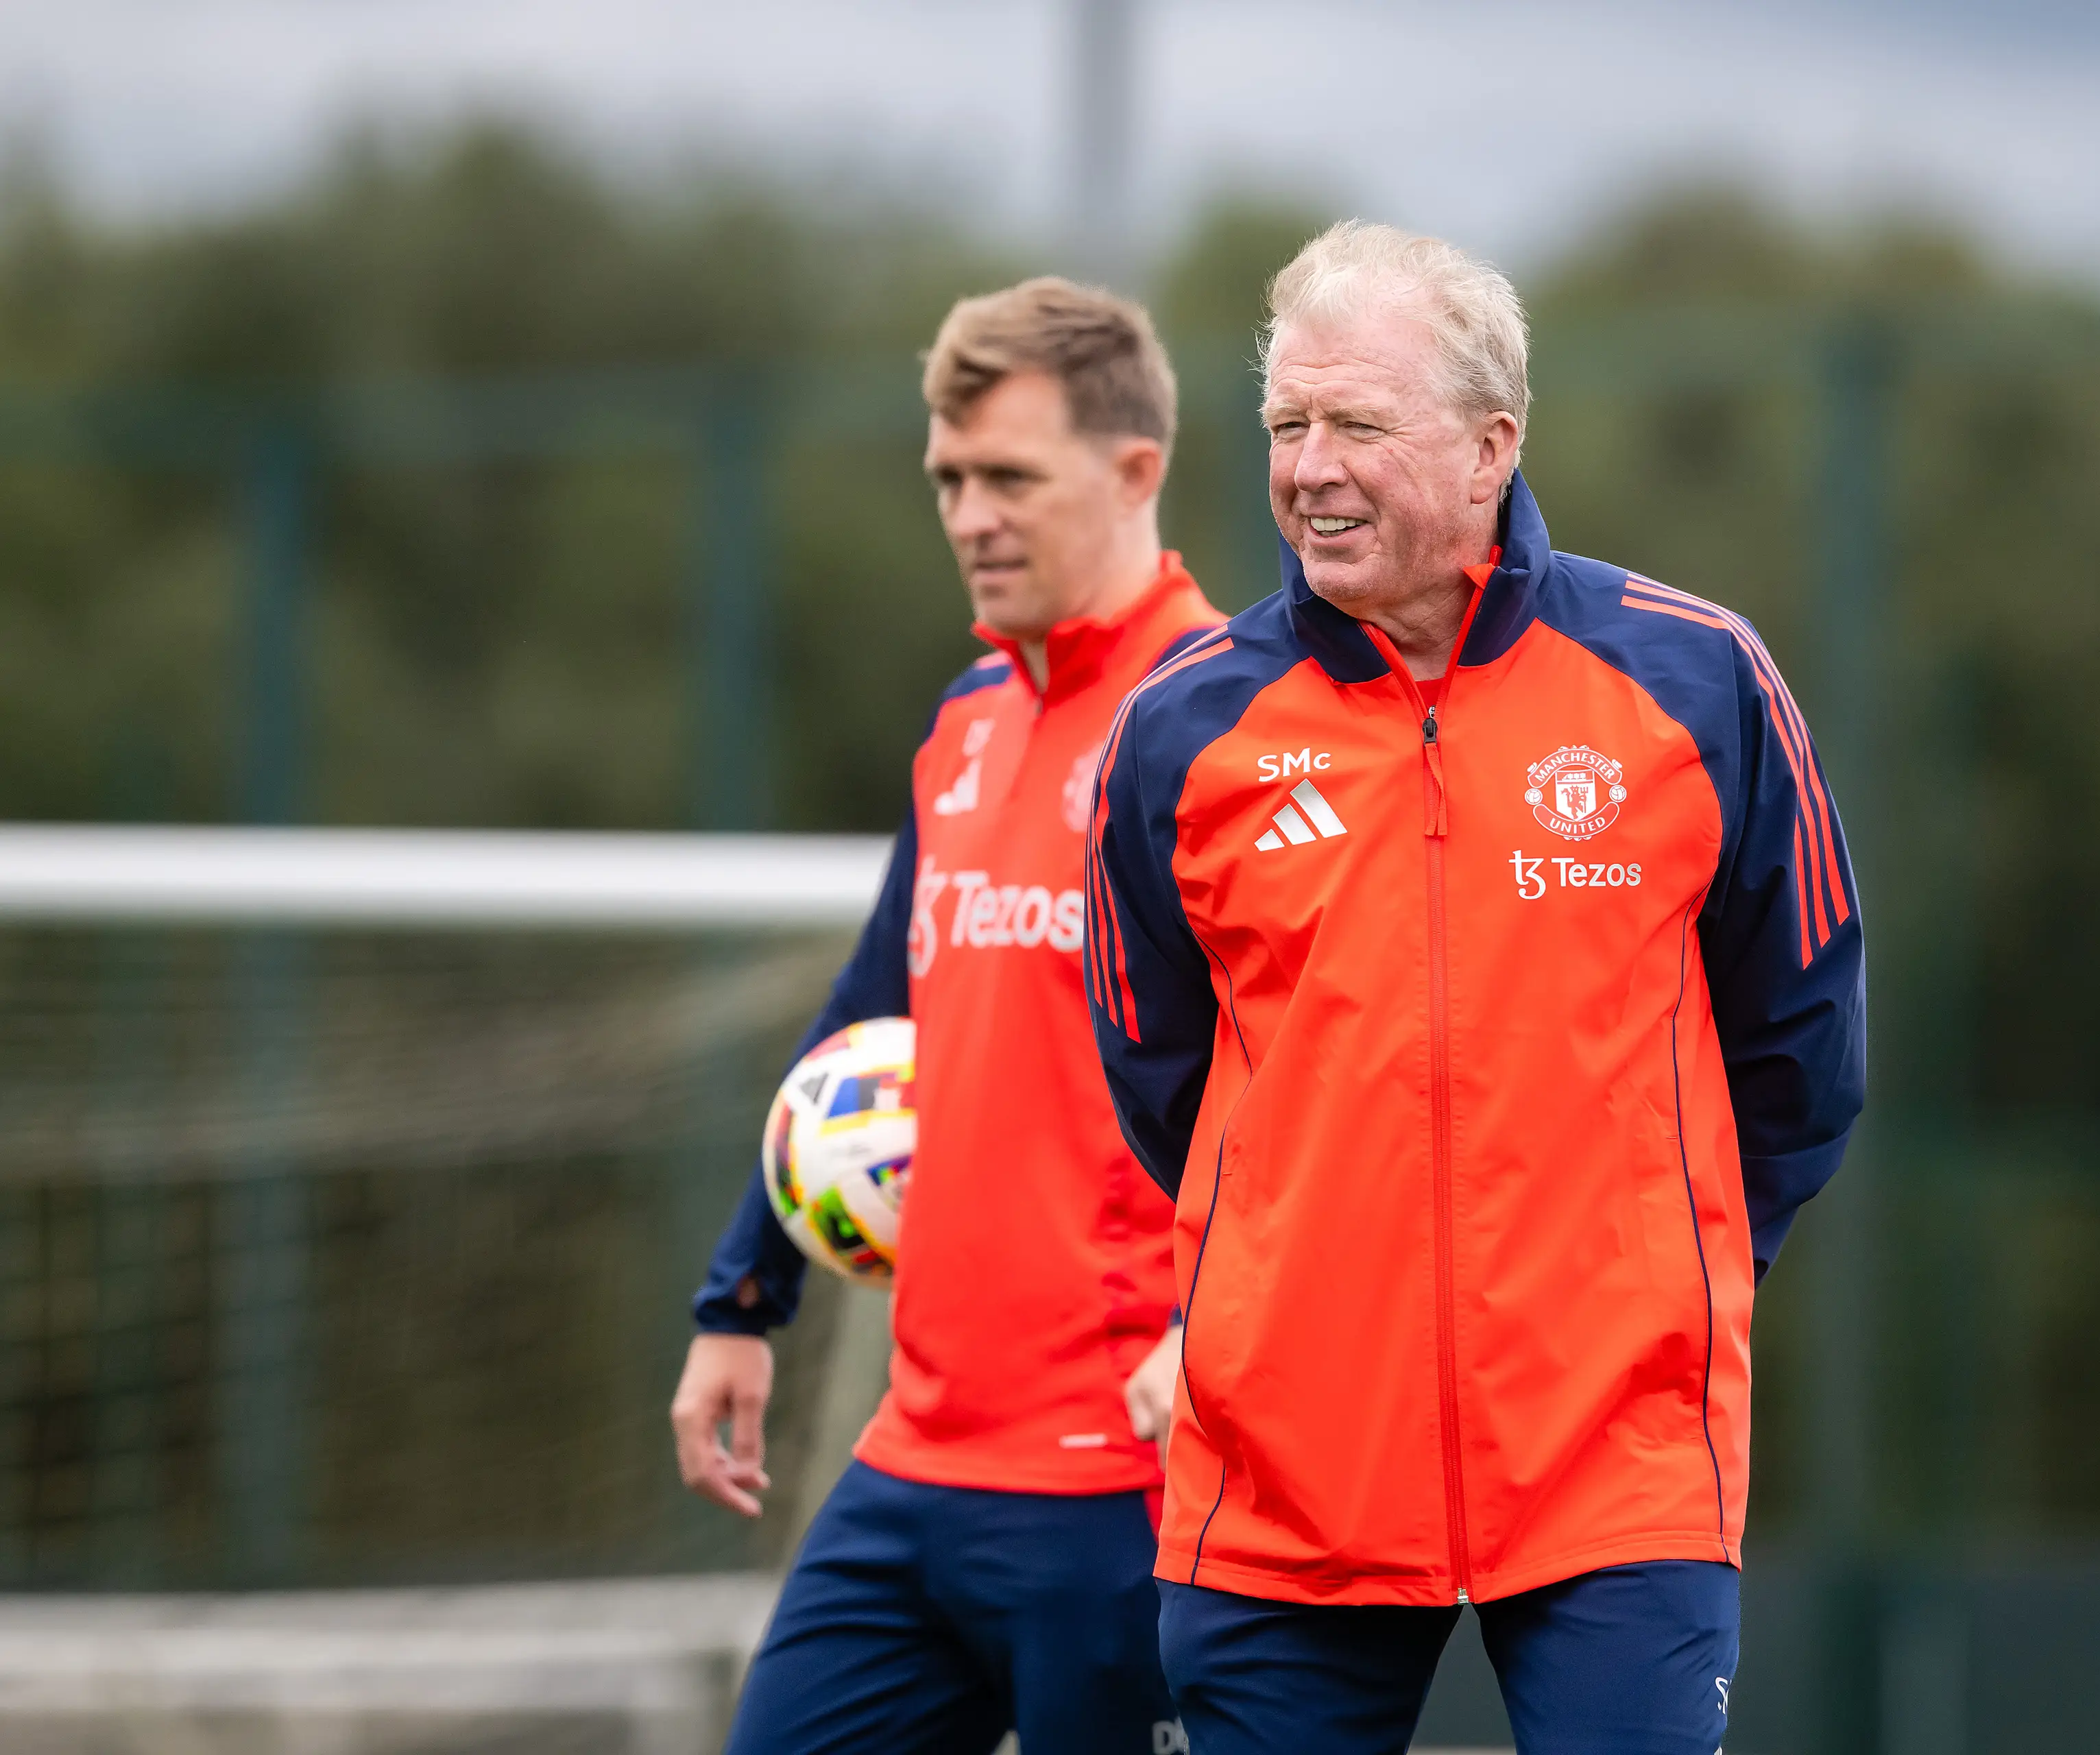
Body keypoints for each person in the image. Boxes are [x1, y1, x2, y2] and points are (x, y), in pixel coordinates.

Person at [1083, 222, 1866, 1754]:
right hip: (1283, 1473)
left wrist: (1663, 1275)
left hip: (1615, 1458)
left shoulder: (1697, 682)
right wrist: (1290, 1277)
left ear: (1493, 443)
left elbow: (1805, 1045)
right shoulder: (1183, 733)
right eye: (1286, 426)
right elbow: (1158, 1071)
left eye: (1358, 424)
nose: (1310, 465)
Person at [674, 277, 1221, 1755]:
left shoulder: (1228, 728)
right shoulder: (968, 720)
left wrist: (1223, 1324)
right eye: (949, 480)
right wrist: (742, 1294)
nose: (971, 514)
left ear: (1135, 471)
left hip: (1122, 1478)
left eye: (1010, 477)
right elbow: (873, 1005)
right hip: (916, 1454)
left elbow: (1335, 1077)